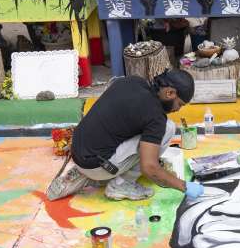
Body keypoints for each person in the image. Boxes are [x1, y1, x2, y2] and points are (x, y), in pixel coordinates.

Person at [47, 69, 204, 202]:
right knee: (168, 128)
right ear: (170, 93)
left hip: (79, 151)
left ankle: (86, 174)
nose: (178, 109)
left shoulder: (132, 81)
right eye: (180, 104)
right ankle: (120, 184)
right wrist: (184, 186)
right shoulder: (155, 116)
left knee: (142, 133)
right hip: (96, 165)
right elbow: (149, 167)